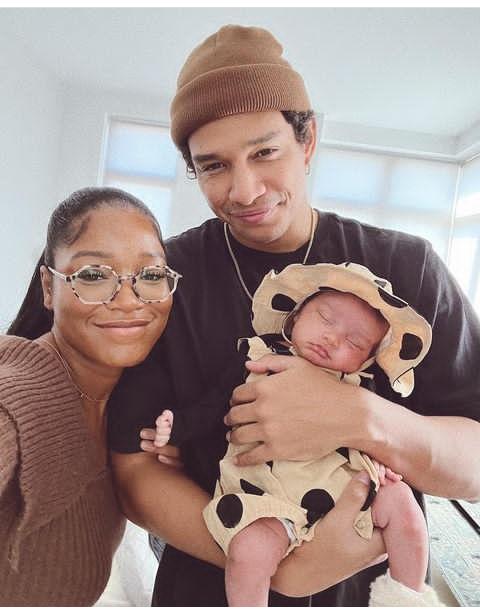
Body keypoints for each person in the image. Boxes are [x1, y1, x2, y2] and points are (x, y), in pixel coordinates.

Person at [108, 24, 480, 607]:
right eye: (214, 166)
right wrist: (274, 566)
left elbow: (476, 464)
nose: (246, 189)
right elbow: (133, 470)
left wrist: (356, 415)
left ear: (307, 141)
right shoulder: (167, 274)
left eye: (265, 152)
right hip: (209, 587)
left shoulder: (407, 267)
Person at [155, 262, 442, 606]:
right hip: (268, 498)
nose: (333, 338)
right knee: (250, 551)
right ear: (296, 315)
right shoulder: (258, 358)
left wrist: (383, 466)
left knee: (404, 505)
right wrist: (178, 428)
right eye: (325, 318)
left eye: (354, 341)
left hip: (345, 489)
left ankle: (405, 596)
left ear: (366, 361)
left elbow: (378, 433)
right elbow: (215, 406)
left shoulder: (362, 389)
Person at [0, 186, 181, 605]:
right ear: (49, 287)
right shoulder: (14, 398)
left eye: (150, 276)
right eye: (94, 276)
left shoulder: (128, 414)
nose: (128, 300)